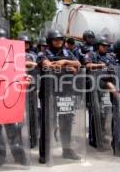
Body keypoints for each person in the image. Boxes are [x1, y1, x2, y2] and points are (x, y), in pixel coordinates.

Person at [38, 29, 81, 163]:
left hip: (65, 92)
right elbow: (48, 65)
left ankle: (67, 149)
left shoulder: (67, 53)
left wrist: (63, 62)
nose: (59, 42)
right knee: (47, 123)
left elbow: (78, 64)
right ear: (50, 41)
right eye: (56, 40)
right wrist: (67, 66)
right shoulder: (43, 54)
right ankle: (44, 153)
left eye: (61, 40)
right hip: (49, 93)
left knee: (66, 122)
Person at [0, 27, 30, 166]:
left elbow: (22, 75)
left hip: (10, 99)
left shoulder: (15, 57)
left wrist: (26, 81)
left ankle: (19, 155)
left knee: (14, 129)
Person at [84, 36, 114, 148]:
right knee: (95, 112)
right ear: (97, 45)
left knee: (104, 113)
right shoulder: (91, 54)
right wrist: (100, 65)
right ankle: (94, 138)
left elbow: (113, 67)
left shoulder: (109, 56)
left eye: (107, 46)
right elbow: (88, 65)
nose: (105, 48)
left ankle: (102, 135)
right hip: (93, 88)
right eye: (103, 46)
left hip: (106, 88)